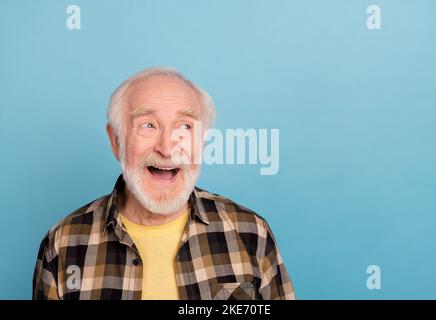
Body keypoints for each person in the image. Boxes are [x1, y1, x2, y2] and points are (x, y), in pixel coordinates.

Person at [32, 67, 295, 300]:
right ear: (116, 140)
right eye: (148, 125)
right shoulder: (63, 244)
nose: (167, 148)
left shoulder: (251, 234)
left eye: (185, 127)